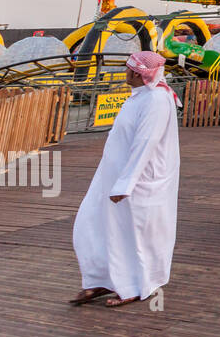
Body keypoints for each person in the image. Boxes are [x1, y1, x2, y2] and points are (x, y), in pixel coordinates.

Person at [70, 51, 180, 307]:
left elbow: (146, 144)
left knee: (133, 236)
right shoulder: (140, 97)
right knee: (91, 224)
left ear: (139, 74)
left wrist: (126, 184)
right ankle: (99, 279)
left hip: (139, 183)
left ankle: (133, 286)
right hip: (112, 177)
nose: (125, 73)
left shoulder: (156, 100)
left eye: (129, 69)